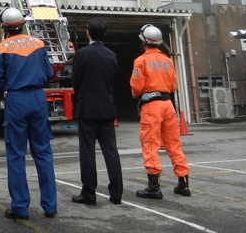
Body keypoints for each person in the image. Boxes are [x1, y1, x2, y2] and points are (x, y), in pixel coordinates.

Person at [0, 7, 57, 220]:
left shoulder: (2, 48)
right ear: (22, 24)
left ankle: (20, 207)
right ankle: (50, 206)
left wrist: (2, 94)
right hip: (37, 98)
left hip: (16, 100)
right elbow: (47, 74)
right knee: (43, 153)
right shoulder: (38, 44)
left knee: (16, 155)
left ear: (4, 27)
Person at [130, 24, 190, 199]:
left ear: (143, 41)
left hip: (151, 105)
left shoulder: (141, 60)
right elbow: (173, 85)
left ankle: (154, 186)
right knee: (173, 143)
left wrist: (138, 96)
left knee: (150, 144)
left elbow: (137, 86)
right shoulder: (167, 60)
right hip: (167, 104)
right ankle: (183, 183)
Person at [71, 18, 124, 206]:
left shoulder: (82, 54)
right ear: (105, 34)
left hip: (87, 108)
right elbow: (113, 81)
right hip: (107, 108)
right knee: (111, 151)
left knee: (87, 152)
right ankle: (116, 193)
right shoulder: (111, 55)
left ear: (88, 33)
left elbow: (75, 82)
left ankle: (89, 193)